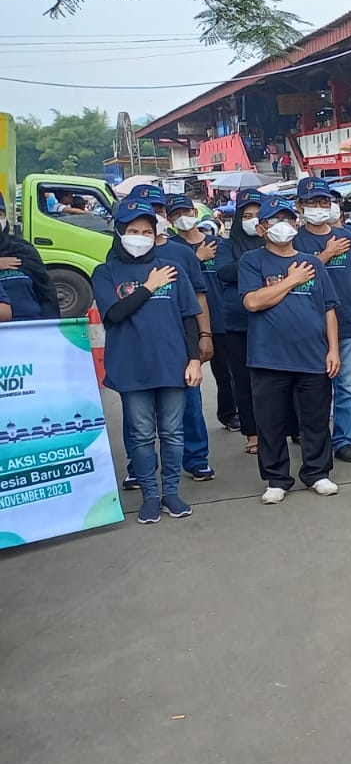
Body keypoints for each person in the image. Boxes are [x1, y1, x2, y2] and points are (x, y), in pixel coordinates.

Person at [93, 197, 203, 524]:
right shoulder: (106, 272)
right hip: (131, 366)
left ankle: (171, 492)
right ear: (119, 232)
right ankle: (150, 495)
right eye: (132, 230)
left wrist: (194, 359)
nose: (139, 236)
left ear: (155, 233)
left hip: (172, 365)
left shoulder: (174, 270)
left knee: (172, 433)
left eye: (145, 230)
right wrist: (150, 286)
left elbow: (188, 318)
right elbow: (114, 313)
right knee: (141, 435)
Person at [239, 197, 342, 505]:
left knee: (315, 418)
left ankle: (317, 472)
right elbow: (253, 302)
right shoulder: (252, 261)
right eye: (274, 220)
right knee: (270, 421)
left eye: (288, 219)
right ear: (262, 228)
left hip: (312, 355)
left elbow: (329, 309)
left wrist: (333, 350)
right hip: (268, 357)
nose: (283, 225)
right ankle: (276, 478)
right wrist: (292, 280)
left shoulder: (312, 263)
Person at [125, 186, 216, 485]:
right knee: (138, 415)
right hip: (137, 346)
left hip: (178, 344)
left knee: (188, 405)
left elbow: (198, 299)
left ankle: (196, 458)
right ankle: (138, 467)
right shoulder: (121, 259)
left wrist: (205, 334)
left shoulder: (180, 254)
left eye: (157, 210)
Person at [294, 185, 351, 464]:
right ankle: (314, 438)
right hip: (309, 326)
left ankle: (343, 440)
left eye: (324, 201)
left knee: (349, 388)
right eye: (313, 202)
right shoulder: (295, 241)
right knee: (313, 388)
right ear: (300, 206)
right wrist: (325, 255)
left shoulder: (347, 237)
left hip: (348, 323)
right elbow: (294, 277)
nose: (319, 207)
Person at [170, 195, 238, 433]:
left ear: (194, 213)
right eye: (176, 215)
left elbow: (226, 274)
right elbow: (175, 280)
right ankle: (186, 425)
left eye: (186, 212)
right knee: (188, 373)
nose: (182, 218)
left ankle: (229, 413)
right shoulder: (172, 248)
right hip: (186, 319)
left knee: (227, 371)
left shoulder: (219, 244)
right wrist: (197, 259)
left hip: (219, 315)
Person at [216, 190, 265, 456]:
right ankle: (253, 433)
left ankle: (291, 428)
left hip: (273, 323)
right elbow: (224, 271)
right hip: (238, 324)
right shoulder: (227, 245)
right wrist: (259, 263)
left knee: (281, 380)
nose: (252, 220)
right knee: (244, 382)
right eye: (246, 215)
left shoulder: (276, 241)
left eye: (257, 215)